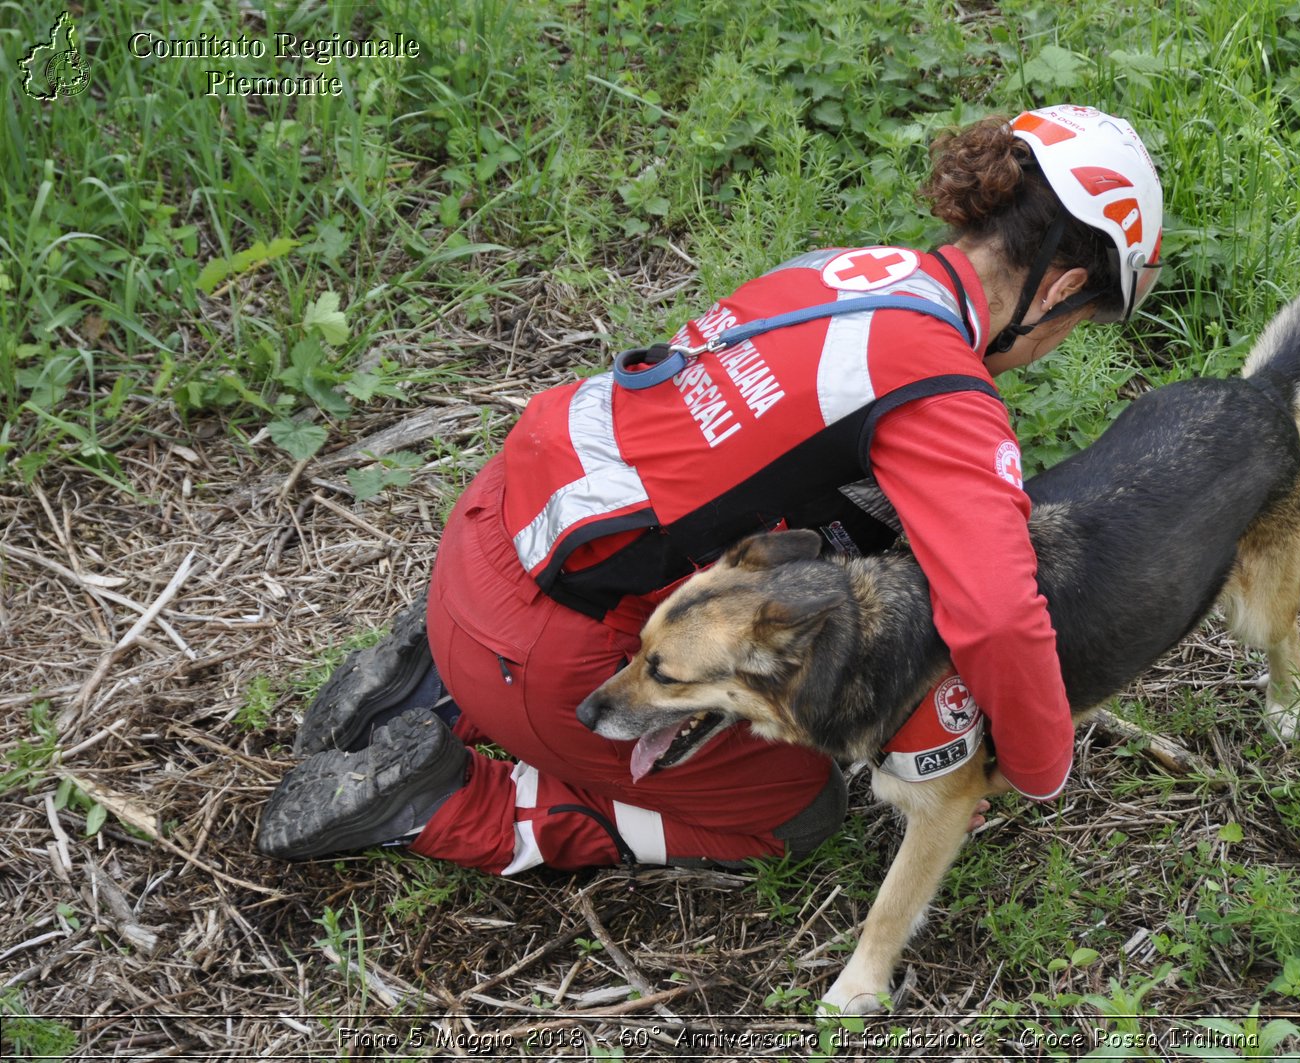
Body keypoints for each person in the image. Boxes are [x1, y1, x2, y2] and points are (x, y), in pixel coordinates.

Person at [257, 104, 1163, 873]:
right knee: (793, 811)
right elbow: (1001, 615)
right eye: (1077, 325)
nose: (1055, 344)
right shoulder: (941, 392)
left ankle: (436, 682)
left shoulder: (847, 273)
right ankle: (450, 797)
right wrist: (1042, 766)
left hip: (496, 531)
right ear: (1064, 287)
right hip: (538, 646)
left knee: (851, 523)